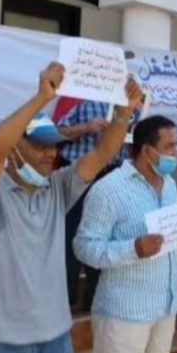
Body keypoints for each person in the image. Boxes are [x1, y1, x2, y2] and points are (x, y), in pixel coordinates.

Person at [0, 62, 139, 353]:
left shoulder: (57, 188)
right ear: (14, 147)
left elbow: (102, 153)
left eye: (53, 145)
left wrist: (123, 114)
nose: (49, 153)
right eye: (39, 144)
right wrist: (41, 97)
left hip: (54, 345)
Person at [74, 115, 177, 353]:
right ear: (147, 150)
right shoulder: (109, 190)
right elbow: (84, 246)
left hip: (165, 308)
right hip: (123, 314)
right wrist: (133, 249)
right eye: (169, 146)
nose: (176, 152)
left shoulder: (169, 184)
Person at [57, 100, 130, 311]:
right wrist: (86, 127)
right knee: (71, 235)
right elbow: (58, 132)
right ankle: (67, 298)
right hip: (78, 175)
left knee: (104, 235)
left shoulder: (126, 106)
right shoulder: (81, 99)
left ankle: (95, 298)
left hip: (112, 174)